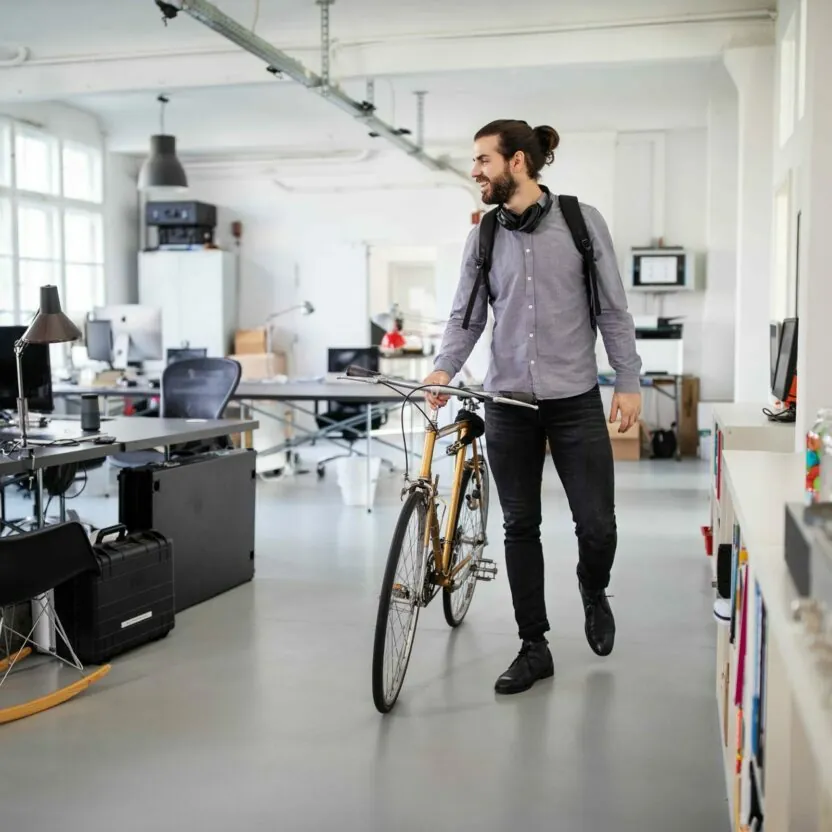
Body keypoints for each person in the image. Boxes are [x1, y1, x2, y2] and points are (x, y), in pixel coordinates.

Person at [424, 120, 642, 695]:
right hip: (507, 403)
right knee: (521, 525)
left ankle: (592, 589)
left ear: (517, 162)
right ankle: (533, 646)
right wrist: (444, 368)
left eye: (482, 160)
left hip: (574, 400)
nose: (474, 171)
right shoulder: (484, 236)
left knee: (597, 526)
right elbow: (466, 316)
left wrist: (628, 378)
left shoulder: (580, 221)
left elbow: (613, 310)